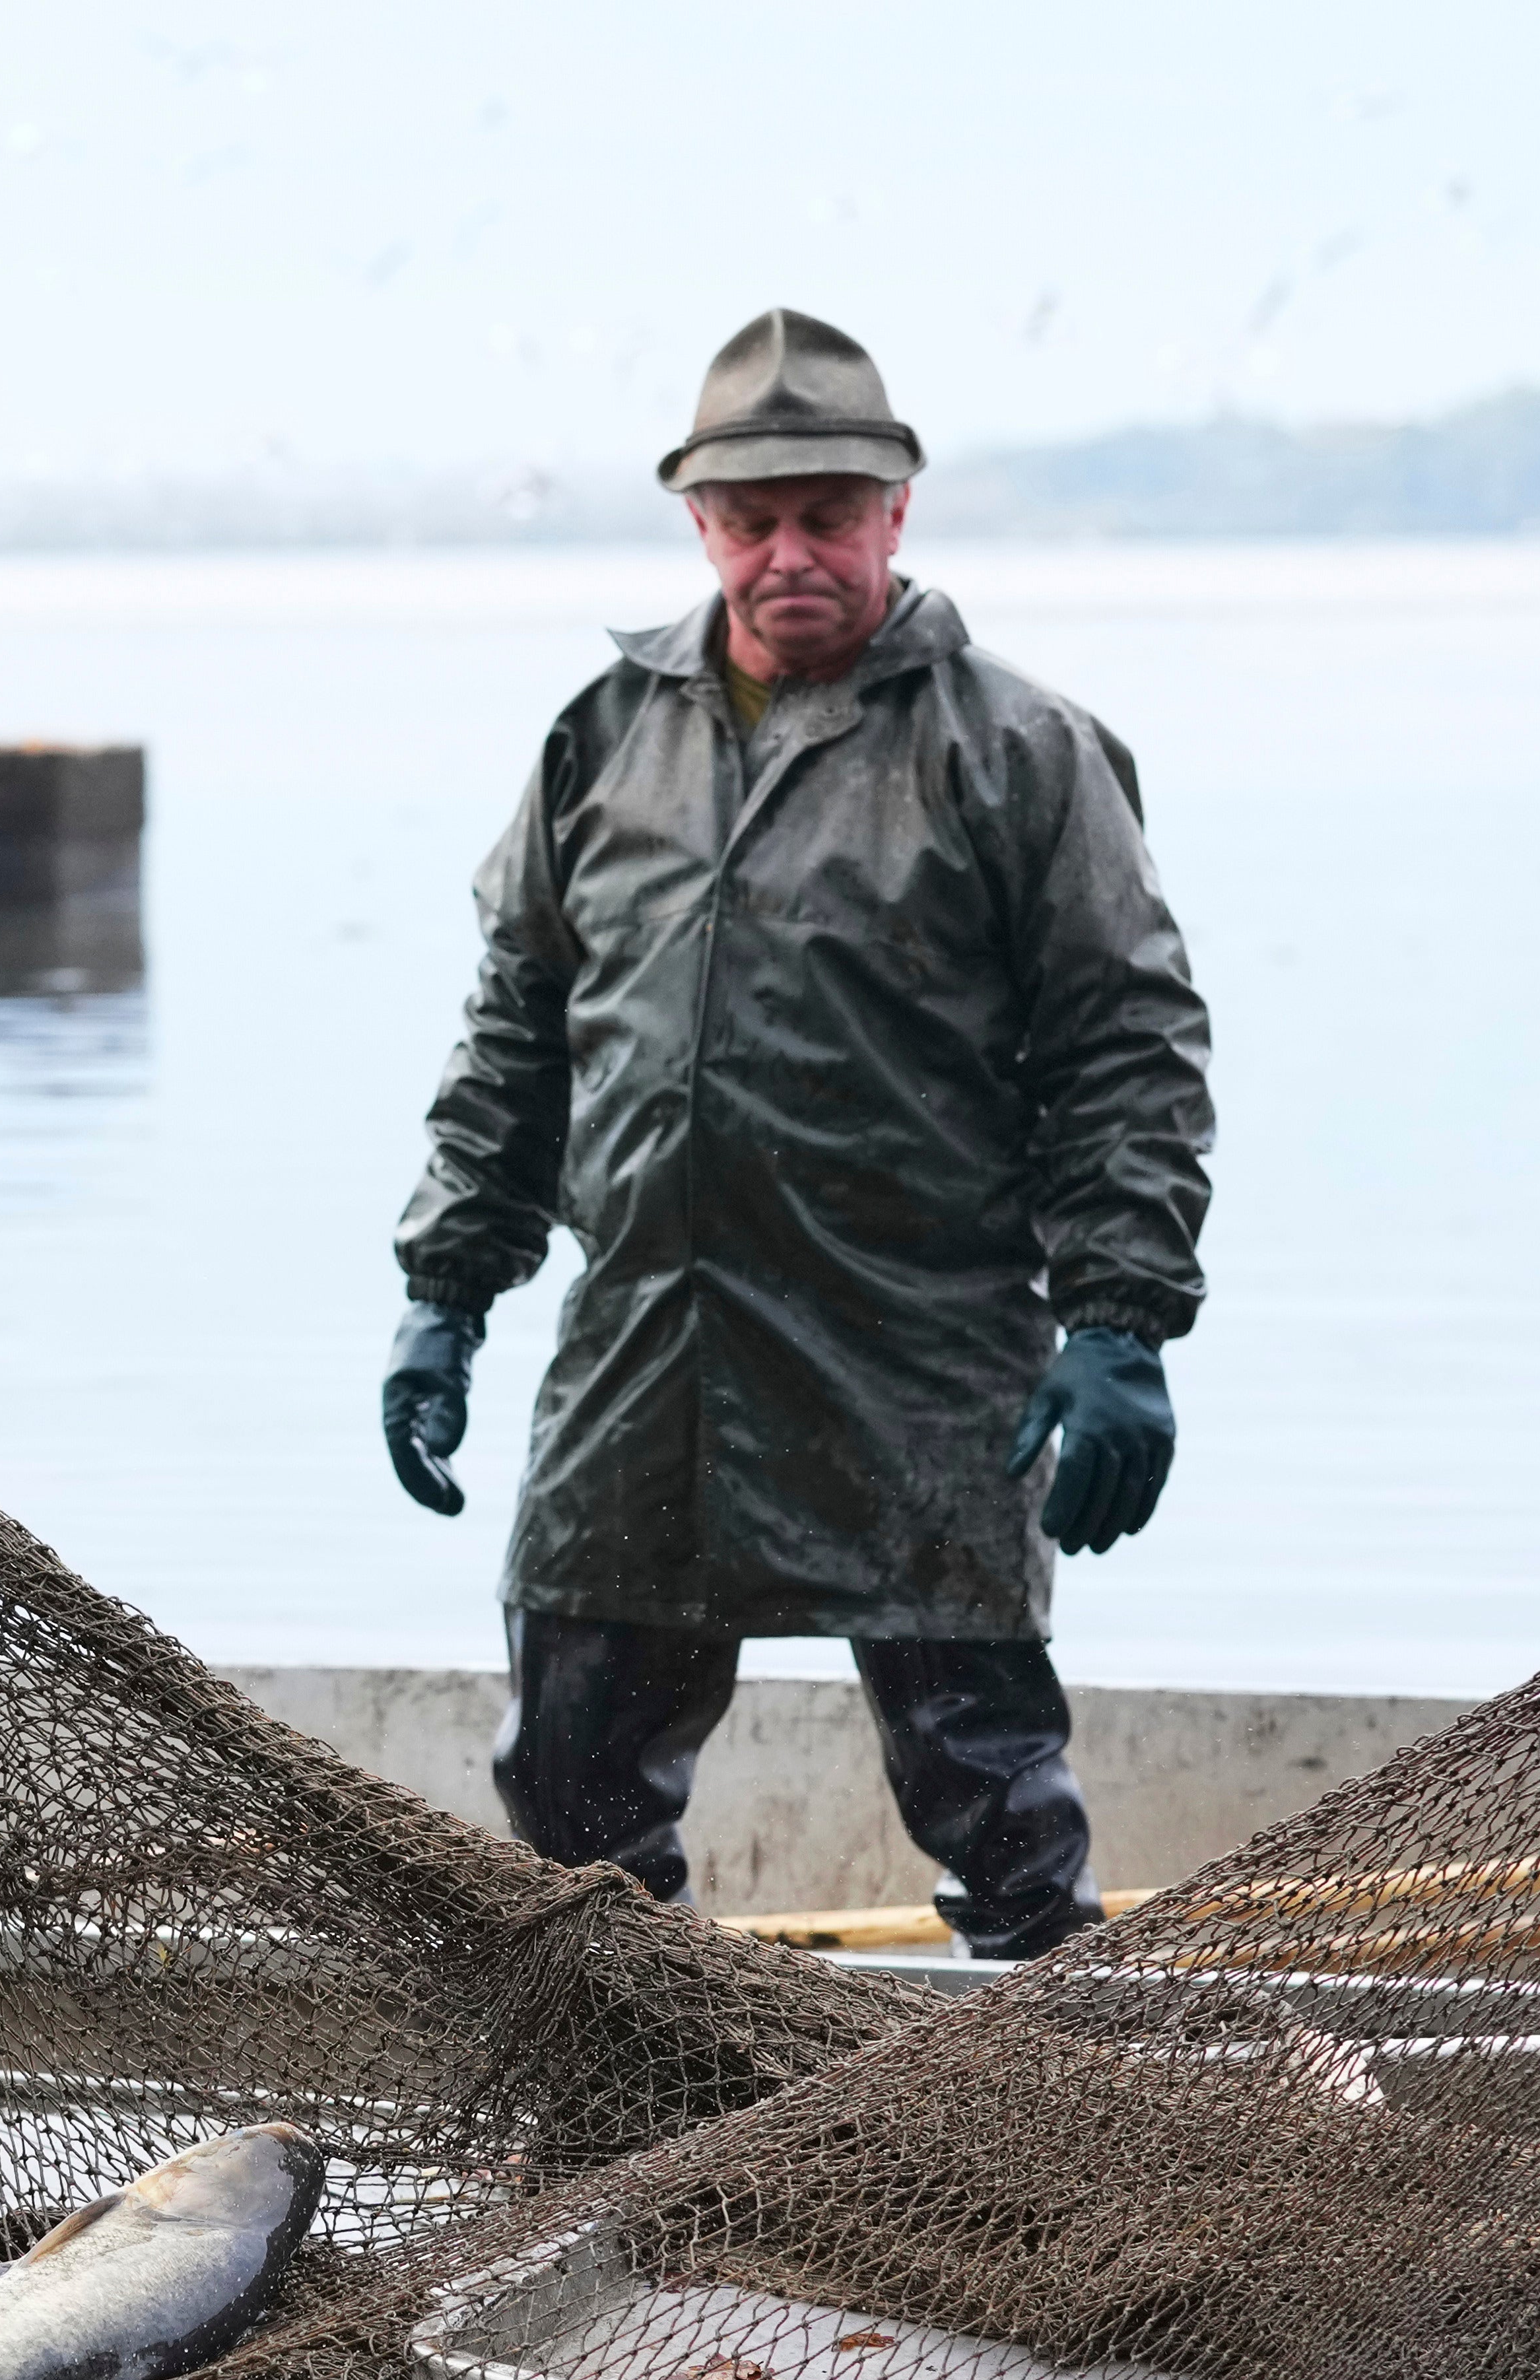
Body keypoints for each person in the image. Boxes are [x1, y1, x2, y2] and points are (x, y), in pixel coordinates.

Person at [380, 309, 1215, 1960]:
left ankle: (1055, 2113)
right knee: (569, 1793)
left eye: (825, 514)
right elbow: (513, 1038)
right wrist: (445, 1289)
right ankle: (623, 2119)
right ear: (695, 522)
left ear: (895, 511)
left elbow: (1128, 1045)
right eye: (748, 521)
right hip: (643, 1350)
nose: (787, 555)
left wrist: (1120, 1320)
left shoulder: (1020, 751)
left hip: (914, 1359)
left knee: (991, 1797)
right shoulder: (601, 738)